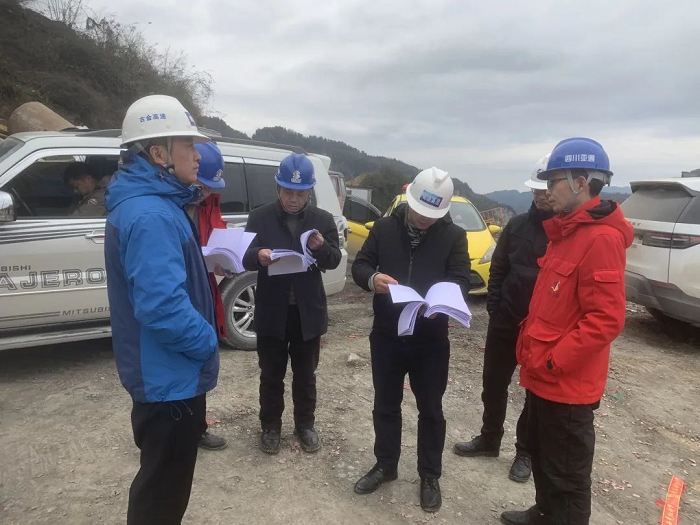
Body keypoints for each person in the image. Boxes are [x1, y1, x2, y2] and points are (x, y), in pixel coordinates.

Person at [500, 138, 632, 525]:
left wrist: (554, 361)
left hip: (566, 383)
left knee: (567, 475)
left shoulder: (601, 239)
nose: (547, 190)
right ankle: (545, 513)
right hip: (543, 376)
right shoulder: (569, 231)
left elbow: (606, 318)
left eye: (553, 181)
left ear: (581, 182)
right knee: (543, 455)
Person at [104, 94, 219, 525]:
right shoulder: (152, 214)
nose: (198, 154)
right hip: (168, 381)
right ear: (158, 154)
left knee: (161, 486)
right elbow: (161, 307)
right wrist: (207, 342)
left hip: (164, 374)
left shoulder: (153, 204)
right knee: (162, 497)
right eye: (188, 145)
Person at [351, 167, 471, 513]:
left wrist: (443, 301)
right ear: (410, 200)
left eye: (432, 215)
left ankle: (429, 475)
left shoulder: (453, 236)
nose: (423, 219)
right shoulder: (384, 228)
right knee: (385, 404)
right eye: (420, 211)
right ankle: (385, 465)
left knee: (431, 409)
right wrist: (372, 279)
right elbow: (361, 265)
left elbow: (461, 279)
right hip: (387, 335)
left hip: (430, 338)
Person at [453, 155, 554, 483]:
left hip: (541, 329)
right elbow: (498, 268)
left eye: (546, 190)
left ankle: (525, 452)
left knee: (534, 393)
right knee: (493, 383)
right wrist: (495, 308)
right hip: (506, 320)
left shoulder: (565, 232)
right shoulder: (517, 226)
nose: (541, 195)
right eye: (536, 190)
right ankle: (489, 439)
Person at [242, 153, 342, 455]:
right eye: (288, 192)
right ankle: (271, 427)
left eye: (300, 193)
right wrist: (258, 255)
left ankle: (305, 425)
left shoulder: (322, 220)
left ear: (309, 191)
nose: (294, 199)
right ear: (278, 188)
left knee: (305, 374)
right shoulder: (259, 217)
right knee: (271, 374)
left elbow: (334, 260)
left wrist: (321, 247)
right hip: (272, 310)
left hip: (306, 312)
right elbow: (244, 256)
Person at [186, 141, 230, 452]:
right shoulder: (167, 206)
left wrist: (224, 259)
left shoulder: (208, 200)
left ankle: (197, 429)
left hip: (203, 287)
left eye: (210, 187)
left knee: (201, 357)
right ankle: (173, 432)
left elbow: (217, 231)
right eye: (202, 186)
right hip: (180, 291)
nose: (206, 192)